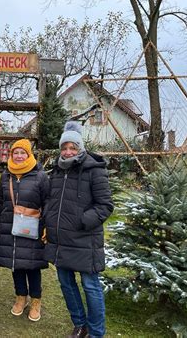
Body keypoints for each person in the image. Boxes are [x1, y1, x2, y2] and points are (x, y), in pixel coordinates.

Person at [43, 122, 114, 338]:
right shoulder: (56, 171)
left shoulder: (94, 171)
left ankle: (96, 332)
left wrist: (82, 221)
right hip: (60, 239)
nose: (68, 152)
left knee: (90, 286)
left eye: (73, 147)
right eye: (64, 147)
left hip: (84, 239)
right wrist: (49, 217)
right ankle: (80, 325)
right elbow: (50, 199)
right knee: (66, 283)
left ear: (80, 148)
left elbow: (105, 206)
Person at [0, 139, 49, 322]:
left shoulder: (40, 176)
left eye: (22, 153)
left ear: (28, 154)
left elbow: (48, 202)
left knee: (32, 265)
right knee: (15, 263)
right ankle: (20, 297)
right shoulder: (6, 174)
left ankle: (36, 301)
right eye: (15, 153)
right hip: (10, 225)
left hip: (32, 226)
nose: (18, 156)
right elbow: (1, 200)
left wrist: (46, 225)